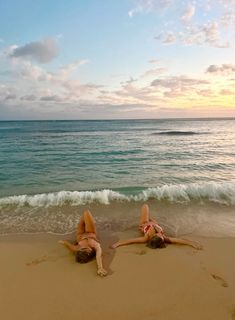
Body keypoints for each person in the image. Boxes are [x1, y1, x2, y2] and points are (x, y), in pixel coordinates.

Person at [111, 204, 202, 250]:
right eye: (161, 235)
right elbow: (179, 240)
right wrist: (192, 243)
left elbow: (130, 241)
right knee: (153, 219)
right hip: (153, 224)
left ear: (153, 236)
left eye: (158, 234)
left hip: (144, 223)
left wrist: (117, 244)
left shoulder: (145, 238)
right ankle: (153, 221)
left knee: (145, 206)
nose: (161, 234)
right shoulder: (164, 239)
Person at [58, 209, 107, 277]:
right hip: (90, 232)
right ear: (90, 252)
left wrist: (62, 242)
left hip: (80, 234)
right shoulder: (96, 246)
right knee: (86, 212)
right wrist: (100, 268)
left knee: (84, 216)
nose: (84, 247)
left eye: (82, 248)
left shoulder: (76, 248)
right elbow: (99, 256)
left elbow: (67, 243)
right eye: (86, 249)